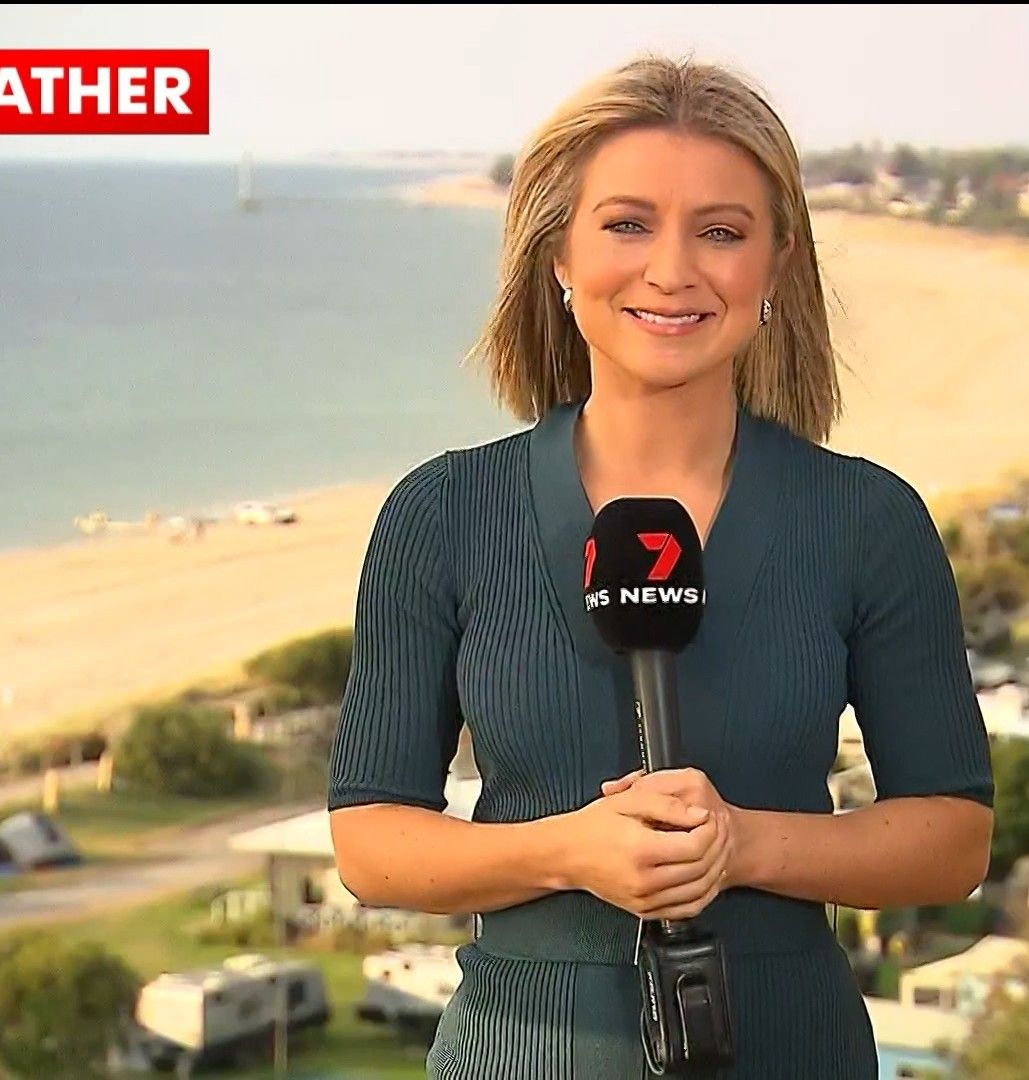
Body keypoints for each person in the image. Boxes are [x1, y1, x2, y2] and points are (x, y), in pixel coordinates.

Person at [328, 53, 995, 1078]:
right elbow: (371, 842)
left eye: (721, 232)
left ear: (776, 265)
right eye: (628, 225)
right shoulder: (444, 514)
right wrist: (568, 850)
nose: (673, 270)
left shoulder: (867, 521)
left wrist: (742, 846)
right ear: (558, 254)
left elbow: (953, 839)